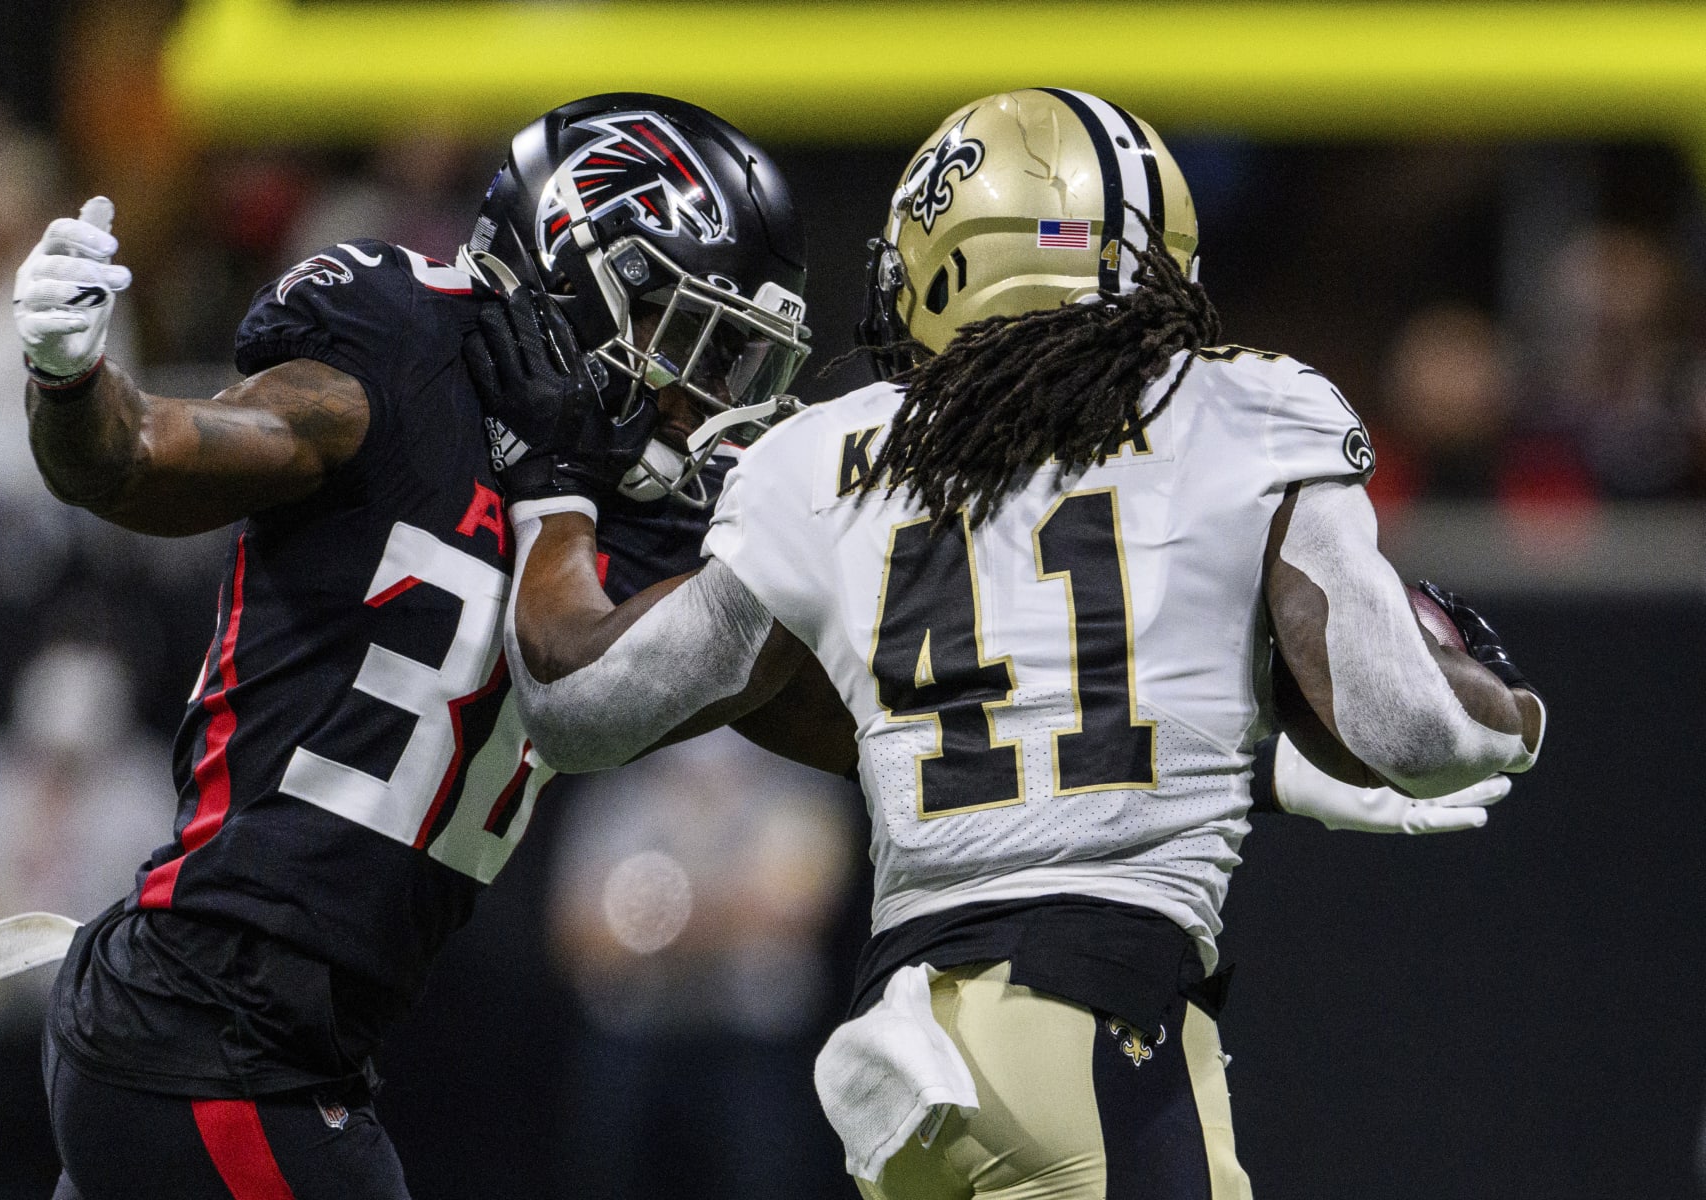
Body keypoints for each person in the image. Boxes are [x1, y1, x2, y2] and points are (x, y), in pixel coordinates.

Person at [491, 89, 1547, 1199]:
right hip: (1097, 1016)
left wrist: (550, 497)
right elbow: (1416, 727)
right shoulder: (1248, 408)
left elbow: (581, 707)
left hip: (914, 1037)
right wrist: (1513, 711)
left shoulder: (818, 457)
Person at [11, 93, 810, 1199]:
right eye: (692, 342)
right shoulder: (401, 349)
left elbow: (794, 700)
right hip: (211, 1024)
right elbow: (137, 457)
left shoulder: (640, 513)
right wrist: (68, 379)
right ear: (578, 278)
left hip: (283, 1039)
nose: (704, 401)